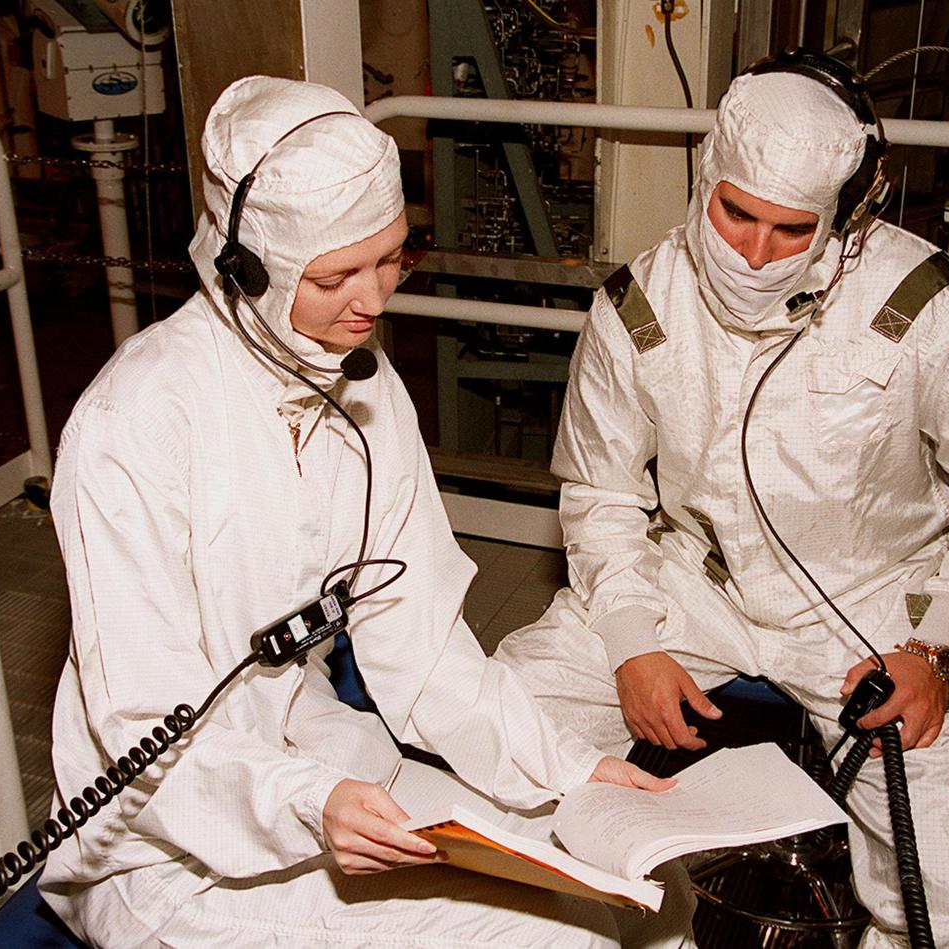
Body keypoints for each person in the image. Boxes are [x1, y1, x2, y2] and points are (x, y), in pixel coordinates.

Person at [38, 75, 693, 948]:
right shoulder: (137, 423)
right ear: (245, 270)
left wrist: (572, 769)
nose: (374, 300)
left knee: (631, 889)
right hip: (162, 846)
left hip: (307, 760)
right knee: (562, 940)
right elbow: (140, 733)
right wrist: (309, 803)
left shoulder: (362, 383)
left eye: (391, 259)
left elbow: (420, 646)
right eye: (337, 275)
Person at [495, 53, 949, 948]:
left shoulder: (926, 306)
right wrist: (630, 646)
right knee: (507, 717)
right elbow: (601, 489)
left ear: (846, 215)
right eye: (735, 214)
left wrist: (936, 645)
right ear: (706, 180)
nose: (754, 252)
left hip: (876, 600)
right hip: (701, 575)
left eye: (790, 229)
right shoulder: (641, 305)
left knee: (947, 893)